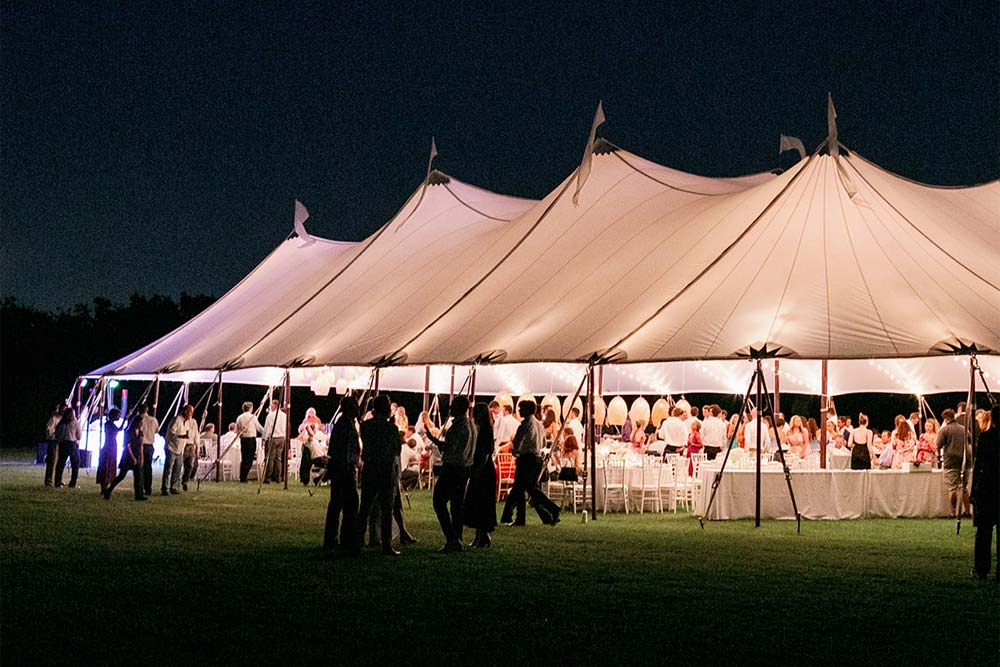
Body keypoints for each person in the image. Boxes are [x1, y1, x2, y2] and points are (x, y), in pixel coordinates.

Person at [423, 395, 475, 553]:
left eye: (453, 406)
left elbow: (449, 447)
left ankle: (452, 538)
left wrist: (434, 440)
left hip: (453, 467)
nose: (450, 408)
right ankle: (457, 539)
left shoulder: (459, 426)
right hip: (465, 468)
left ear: (459, 408)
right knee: (456, 505)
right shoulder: (471, 425)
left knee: (439, 501)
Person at [500, 400, 561, 527]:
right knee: (522, 488)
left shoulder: (525, 424)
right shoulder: (539, 424)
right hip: (536, 459)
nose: (519, 411)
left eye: (521, 409)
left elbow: (517, 442)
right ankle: (520, 518)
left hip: (526, 459)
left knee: (527, 488)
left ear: (527, 410)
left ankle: (551, 509)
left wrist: (516, 451)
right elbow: (544, 443)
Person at [356, 395, 404, 556]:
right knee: (386, 508)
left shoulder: (365, 426)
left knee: (365, 506)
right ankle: (386, 544)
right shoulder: (391, 428)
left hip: (370, 467)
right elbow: (397, 450)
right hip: (385, 468)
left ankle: (358, 542)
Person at [324, 397, 361, 556]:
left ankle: (339, 537)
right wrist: (349, 465)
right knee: (346, 503)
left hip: (343, 468)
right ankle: (340, 538)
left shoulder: (346, 423)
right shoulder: (345, 424)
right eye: (355, 407)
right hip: (344, 469)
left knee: (344, 504)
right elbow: (344, 449)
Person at [970, 406, 999, 582]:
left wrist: (973, 490)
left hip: (987, 488)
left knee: (983, 532)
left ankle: (981, 569)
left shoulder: (986, 437)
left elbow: (978, 465)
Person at [465, 403, 498, 548]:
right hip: (480, 468)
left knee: (481, 502)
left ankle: (481, 536)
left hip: (483, 470)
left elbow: (486, 452)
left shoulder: (485, 430)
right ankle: (482, 536)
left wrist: (477, 470)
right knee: (480, 503)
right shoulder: (480, 429)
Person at [938, 409, 973, 518]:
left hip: (951, 461)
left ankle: (953, 512)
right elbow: (971, 440)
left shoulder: (945, 430)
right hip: (965, 460)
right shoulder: (964, 429)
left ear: (946, 419)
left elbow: (938, 445)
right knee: (964, 487)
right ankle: (967, 512)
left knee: (952, 488)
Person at [103, 416, 146, 501]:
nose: (142, 424)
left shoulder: (141, 433)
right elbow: (128, 446)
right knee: (121, 476)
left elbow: (141, 446)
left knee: (138, 476)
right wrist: (133, 458)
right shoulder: (129, 432)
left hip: (137, 456)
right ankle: (108, 490)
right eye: (141, 422)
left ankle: (139, 495)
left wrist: (142, 457)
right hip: (128, 456)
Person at [163, 405, 194, 495]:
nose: (191, 415)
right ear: (185, 412)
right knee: (168, 468)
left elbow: (187, 432)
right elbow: (171, 432)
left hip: (180, 448)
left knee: (177, 468)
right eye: (190, 412)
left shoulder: (187, 422)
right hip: (171, 447)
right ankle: (165, 488)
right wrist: (182, 436)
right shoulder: (177, 420)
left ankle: (174, 487)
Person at [53, 407, 82, 488]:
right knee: (75, 464)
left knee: (60, 464)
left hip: (62, 444)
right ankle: (73, 483)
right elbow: (79, 435)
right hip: (72, 444)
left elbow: (57, 435)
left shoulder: (60, 423)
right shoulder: (75, 423)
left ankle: (57, 482)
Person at [235, 402, 264, 483]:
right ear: (250, 408)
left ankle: (242, 477)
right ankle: (244, 477)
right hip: (250, 439)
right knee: (249, 459)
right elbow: (258, 428)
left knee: (244, 458)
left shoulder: (239, 417)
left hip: (243, 440)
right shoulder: (252, 417)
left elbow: (237, 430)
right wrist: (266, 433)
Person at [262, 400, 287, 484]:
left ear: (274, 406)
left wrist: (264, 438)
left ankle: (268, 478)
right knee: (278, 458)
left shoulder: (270, 416)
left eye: (271, 406)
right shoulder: (284, 416)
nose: (270, 407)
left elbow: (266, 428)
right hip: (282, 437)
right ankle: (278, 478)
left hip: (273, 437)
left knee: (270, 458)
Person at [139, 405, 159, 496]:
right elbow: (156, 431)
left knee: (140, 468)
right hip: (150, 446)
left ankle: (141, 487)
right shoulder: (153, 420)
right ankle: (148, 488)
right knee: (148, 467)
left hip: (141, 445)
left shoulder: (138, 419)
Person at [44, 403, 65, 486]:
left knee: (60, 462)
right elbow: (49, 430)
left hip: (62, 443)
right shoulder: (54, 419)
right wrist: (56, 435)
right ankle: (49, 480)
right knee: (52, 461)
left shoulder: (64, 419)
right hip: (54, 442)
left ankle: (59, 479)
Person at [180, 412, 201, 490]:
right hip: (183, 445)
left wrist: (197, 447)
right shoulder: (182, 421)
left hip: (191, 445)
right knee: (179, 464)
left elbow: (196, 434)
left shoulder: (194, 422)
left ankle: (185, 481)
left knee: (190, 466)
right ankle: (175, 483)